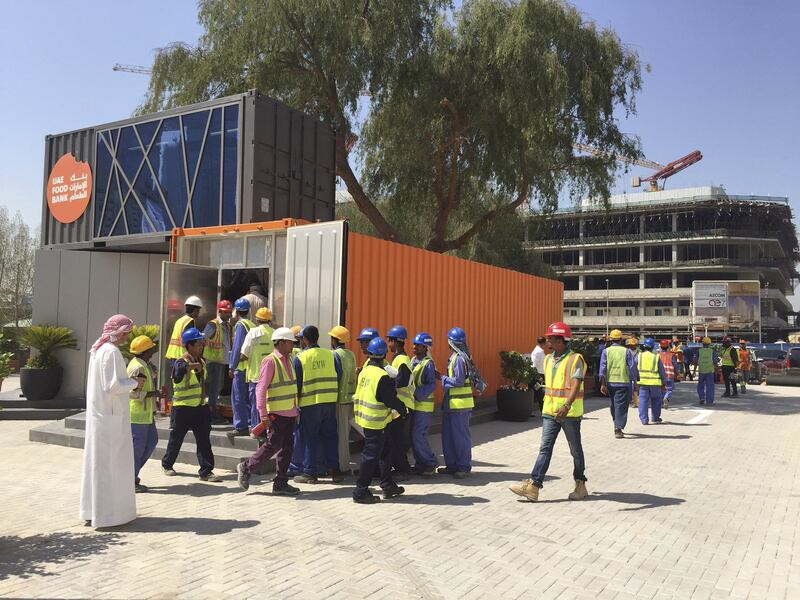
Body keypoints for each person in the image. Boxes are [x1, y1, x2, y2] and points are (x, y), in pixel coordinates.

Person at [509, 322, 588, 502]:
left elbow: (576, 384)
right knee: (545, 449)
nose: (548, 340)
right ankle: (534, 486)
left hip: (570, 413)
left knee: (575, 450)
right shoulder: (547, 359)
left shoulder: (576, 359)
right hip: (550, 412)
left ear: (561, 340)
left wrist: (566, 406)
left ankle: (580, 484)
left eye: (551, 338)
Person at [80, 315, 139, 528]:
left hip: (102, 416)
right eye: (125, 331)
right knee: (111, 467)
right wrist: (134, 383)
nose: (126, 336)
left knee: (98, 465)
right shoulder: (111, 352)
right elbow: (113, 386)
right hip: (110, 417)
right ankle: (109, 515)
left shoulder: (98, 350)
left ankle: (92, 510)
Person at [236, 327, 301, 495]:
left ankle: (280, 483)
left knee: (286, 448)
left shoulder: (289, 359)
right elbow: (261, 388)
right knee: (272, 446)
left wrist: (296, 409)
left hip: (289, 413)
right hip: (276, 414)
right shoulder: (270, 361)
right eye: (290, 342)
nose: (292, 345)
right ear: (280, 343)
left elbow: (291, 387)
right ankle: (246, 467)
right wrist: (263, 413)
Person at [352, 337, 409, 504]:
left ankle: (387, 484)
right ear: (384, 354)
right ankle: (360, 491)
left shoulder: (365, 371)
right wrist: (403, 409)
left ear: (370, 353)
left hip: (366, 419)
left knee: (385, 452)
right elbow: (389, 399)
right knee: (370, 457)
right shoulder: (382, 376)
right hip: (376, 422)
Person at [161, 328, 221, 482]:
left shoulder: (201, 361)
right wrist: (193, 367)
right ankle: (167, 464)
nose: (201, 346)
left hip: (200, 408)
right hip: (182, 408)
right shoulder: (181, 362)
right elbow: (180, 371)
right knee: (176, 438)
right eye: (199, 344)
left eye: (202, 344)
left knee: (204, 441)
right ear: (189, 345)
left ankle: (206, 471)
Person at [293, 325, 343, 484]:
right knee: (330, 437)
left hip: (310, 404)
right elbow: (339, 375)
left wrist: (296, 404)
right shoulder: (331, 355)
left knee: (309, 438)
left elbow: (297, 384)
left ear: (305, 339)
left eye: (301, 339)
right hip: (329, 402)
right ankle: (334, 471)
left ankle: (309, 473)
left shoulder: (300, 358)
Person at [437, 327, 476, 478]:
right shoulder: (457, 357)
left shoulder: (459, 359)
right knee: (448, 437)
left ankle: (464, 467)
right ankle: (452, 465)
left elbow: (459, 382)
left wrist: (442, 378)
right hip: (451, 405)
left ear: (450, 342)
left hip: (459, 406)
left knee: (460, 437)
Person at [127, 335, 161, 493]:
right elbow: (134, 393)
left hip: (146, 414)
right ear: (146, 351)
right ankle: (129, 479)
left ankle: (129, 475)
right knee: (138, 449)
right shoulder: (138, 368)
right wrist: (155, 393)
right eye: (151, 349)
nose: (153, 352)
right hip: (137, 415)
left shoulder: (143, 364)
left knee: (152, 441)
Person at [329, 325, 359, 474]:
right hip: (350, 398)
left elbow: (336, 377)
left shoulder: (335, 355)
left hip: (340, 399)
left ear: (334, 340)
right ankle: (344, 465)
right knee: (345, 435)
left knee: (340, 436)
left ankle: (343, 467)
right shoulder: (351, 354)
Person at [598, 329, 638, 439]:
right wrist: (636, 380)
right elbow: (632, 368)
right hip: (623, 383)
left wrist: (602, 384)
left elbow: (602, 368)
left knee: (615, 404)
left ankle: (616, 422)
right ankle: (618, 427)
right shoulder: (627, 352)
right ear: (621, 340)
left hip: (610, 383)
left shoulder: (606, 351)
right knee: (621, 406)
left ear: (611, 340)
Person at [386, 325, 414, 480]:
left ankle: (402, 470)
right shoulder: (399, 358)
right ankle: (401, 468)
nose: (387, 344)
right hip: (400, 405)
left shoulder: (401, 359)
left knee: (398, 440)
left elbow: (402, 381)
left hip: (402, 406)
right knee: (397, 439)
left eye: (389, 340)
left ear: (394, 342)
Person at [240, 307, 275, 431]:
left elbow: (243, 355)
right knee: (269, 405)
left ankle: (257, 429)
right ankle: (268, 429)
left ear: (257, 319)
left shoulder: (253, 333)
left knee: (257, 405)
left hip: (256, 376)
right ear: (270, 320)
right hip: (272, 377)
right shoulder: (274, 333)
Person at [410, 332, 438, 475]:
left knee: (418, 435)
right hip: (414, 405)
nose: (414, 347)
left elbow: (431, 385)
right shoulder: (413, 360)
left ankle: (430, 462)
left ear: (425, 347)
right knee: (414, 435)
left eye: (418, 345)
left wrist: (417, 394)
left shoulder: (428, 363)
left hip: (423, 406)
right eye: (414, 344)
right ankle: (420, 464)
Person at [202, 300, 233, 423]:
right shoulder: (213, 324)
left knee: (217, 388)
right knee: (213, 390)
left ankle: (211, 413)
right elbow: (202, 338)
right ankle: (212, 415)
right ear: (219, 311)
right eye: (226, 312)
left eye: (230, 312)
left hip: (223, 361)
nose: (228, 315)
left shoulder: (228, 326)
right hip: (214, 361)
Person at [228, 298, 255, 437]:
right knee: (248, 398)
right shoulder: (251, 324)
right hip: (249, 368)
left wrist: (232, 366)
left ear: (236, 311)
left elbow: (237, 347)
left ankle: (240, 426)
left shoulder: (240, 325)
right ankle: (250, 422)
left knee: (238, 397)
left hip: (240, 367)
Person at [637, 338, 667, 425]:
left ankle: (644, 420)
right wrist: (664, 383)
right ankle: (655, 417)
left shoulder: (639, 356)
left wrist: (634, 380)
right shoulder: (656, 357)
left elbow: (633, 368)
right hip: (655, 384)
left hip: (642, 383)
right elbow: (662, 371)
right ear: (653, 347)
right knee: (656, 400)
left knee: (643, 401)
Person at [658, 339, 680, 410]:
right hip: (669, 375)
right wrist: (678, 373)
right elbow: (675, 365)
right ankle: (667, 397)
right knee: (669, 389)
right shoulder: (672, 355)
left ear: (660, 347)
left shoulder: (658, 355)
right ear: (668, 346)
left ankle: (662, 403)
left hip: (660, 375)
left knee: (662, 389)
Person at [697, 336, 719, 406]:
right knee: (710, 386)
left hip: (701, 371)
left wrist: (694, 371)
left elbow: (695, 361)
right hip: (710, 371)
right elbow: (715, 362)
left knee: (700, 385)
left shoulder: (699, 351)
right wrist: (717, 370)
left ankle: (702, 398)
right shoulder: (712, 351)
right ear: (709, 344)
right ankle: (709, 401)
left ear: (702, 343)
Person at [530, 336, 547, 415]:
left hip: (540, 375)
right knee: (540, 394)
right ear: (544, 343)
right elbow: (534, 365)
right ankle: (543, 412)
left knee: (538, 394)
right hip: (538, 376)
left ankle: (542, 412)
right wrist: (538, 377)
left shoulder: (540, 351)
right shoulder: (538, 352)